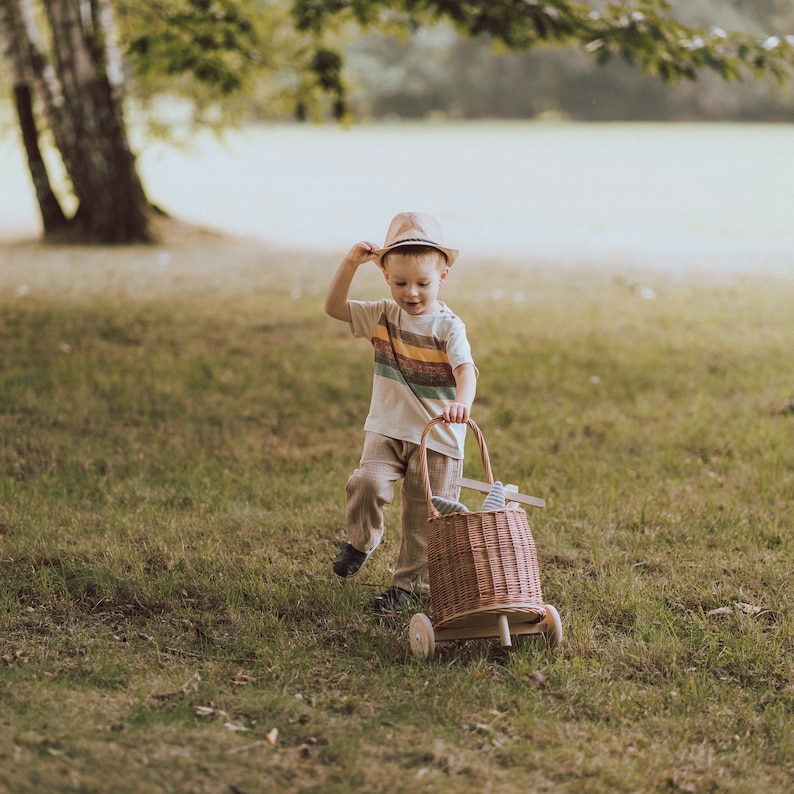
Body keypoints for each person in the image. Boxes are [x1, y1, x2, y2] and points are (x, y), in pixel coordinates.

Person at [324, 212, 478, 613]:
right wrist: (350, 264)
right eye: (400, 283)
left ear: (442, 277)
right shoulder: (382, 315)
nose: (411, 293)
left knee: (425, 518)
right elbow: (334, 307)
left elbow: (466, 370)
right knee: (367, 483)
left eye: (423, 283)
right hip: (387, 431)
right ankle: (360, 542)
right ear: (386, 278)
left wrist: (462, 401)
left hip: (438, 438)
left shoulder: (448, 327)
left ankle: (406, 587)